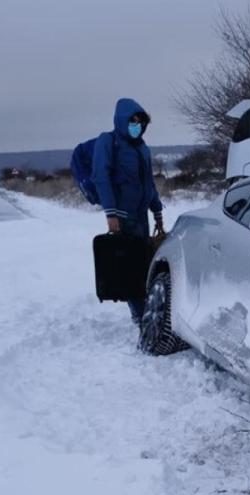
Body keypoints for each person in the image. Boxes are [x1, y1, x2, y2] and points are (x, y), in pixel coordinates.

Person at [91, 97, 165, 325]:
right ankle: (139, 314)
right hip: (122, 218)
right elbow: (101, 177)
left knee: (144, 264)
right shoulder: (108, 142)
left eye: (140, 122)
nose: (136, 125)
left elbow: (148, 184)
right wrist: (111, 213)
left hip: (141, 216)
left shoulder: (142, 148)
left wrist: (158, 212)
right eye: (132, 121)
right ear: (121, 121)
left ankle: (145, 309)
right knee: (131, 266)